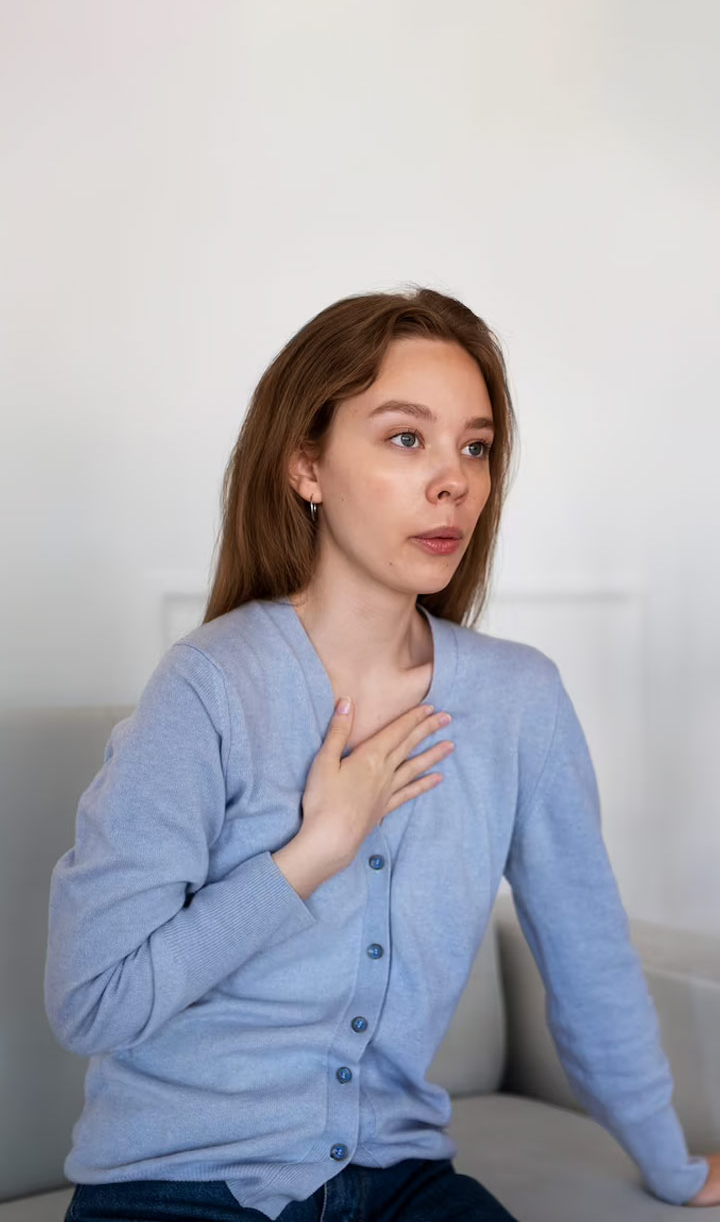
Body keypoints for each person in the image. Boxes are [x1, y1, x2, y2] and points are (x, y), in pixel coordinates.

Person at [45, 285, 718, 1219]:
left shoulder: (518, 703)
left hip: (403, 1183)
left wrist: (672, 1165)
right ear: (306, 466)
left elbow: (589, 960)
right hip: (175, 1183)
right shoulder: (209, 689)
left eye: (474, 447)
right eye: (406, 438)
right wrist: (310, 855)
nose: (455, 482)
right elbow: (93, 1002)